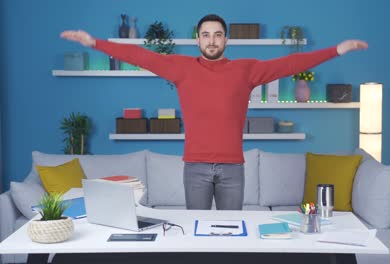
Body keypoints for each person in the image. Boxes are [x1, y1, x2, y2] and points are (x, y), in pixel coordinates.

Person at [61, 14, 368, 211]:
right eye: (206, 35)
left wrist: (335, 51)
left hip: (233, 169)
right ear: (198, 39)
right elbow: (141, 56)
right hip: (194, 168)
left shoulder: (245, 70)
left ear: (226, 39)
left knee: (233, 233)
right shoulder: (181, 68)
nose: (211, 40)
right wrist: (95, 43)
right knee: (198, 234)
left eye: (217, 34)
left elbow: (289, 65)